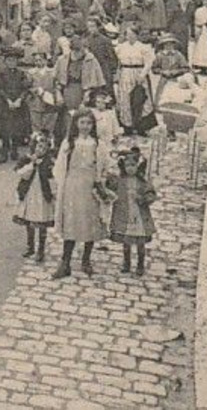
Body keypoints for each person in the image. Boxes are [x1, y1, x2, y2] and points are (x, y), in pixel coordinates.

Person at [51, 110, 111, 279]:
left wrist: (101, 182)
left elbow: (105, 165)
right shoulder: (69, 143)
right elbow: (60, 166)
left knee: (89, 221)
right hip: (72, 186)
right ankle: (65, 262)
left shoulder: (98, 145)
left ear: (93, 125)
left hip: (90, 186)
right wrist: (61, 185)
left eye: (89, 123)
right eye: (82, 123)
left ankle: (86, 259)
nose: (85, 127)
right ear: (76, 124)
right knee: (72, 222)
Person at [106, 142, 157, 276]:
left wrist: (143, 198)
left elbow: (151, 194)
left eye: (133, 165)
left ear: (138, 166)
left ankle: (140, 264)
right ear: (123, 166)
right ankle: (126, 263)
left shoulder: (142, 182)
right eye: (127, 165)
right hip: (125, 214)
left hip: (139, 215)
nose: (130, 168)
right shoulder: (120, 181)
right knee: (126, 242)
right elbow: (110, 187)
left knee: (140, 242)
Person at [13, 130, 57, 262]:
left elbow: (53, 180)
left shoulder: (49, 163)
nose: (41, 150)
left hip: (42, 195)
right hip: (29, 193)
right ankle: (30, 246)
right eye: (39, 146)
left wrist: (53, 194)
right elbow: (21, 174)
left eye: (44, 148)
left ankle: (41, 249)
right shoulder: (27, 159)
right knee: (29, 219)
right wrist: (32, 164)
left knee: (42, 220)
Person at [114, 23, 156, 134]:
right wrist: (118, 74)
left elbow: (148, 63)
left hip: (138, 73)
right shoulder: (121, 47)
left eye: (132, 34)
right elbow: (118, 63)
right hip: (126, 73)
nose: (130, 37)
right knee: (125, 99)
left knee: (141, 99)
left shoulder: (143, 47)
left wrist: (142, 75)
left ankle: (141, 126)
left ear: (137, 35)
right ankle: (127, 126)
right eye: (128, 34)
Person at [0, 53, 32, 164]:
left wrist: (20, 99)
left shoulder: (21, 74)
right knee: (5, 130)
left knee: (17, 129)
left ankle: (14, 150)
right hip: (6, 105)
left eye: (14, 60)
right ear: (5, 62)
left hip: (18, 105)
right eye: (9, 60)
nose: (11, 63)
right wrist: (8, 100)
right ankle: (4, 152)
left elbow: (25, 89)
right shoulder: (2, 74)